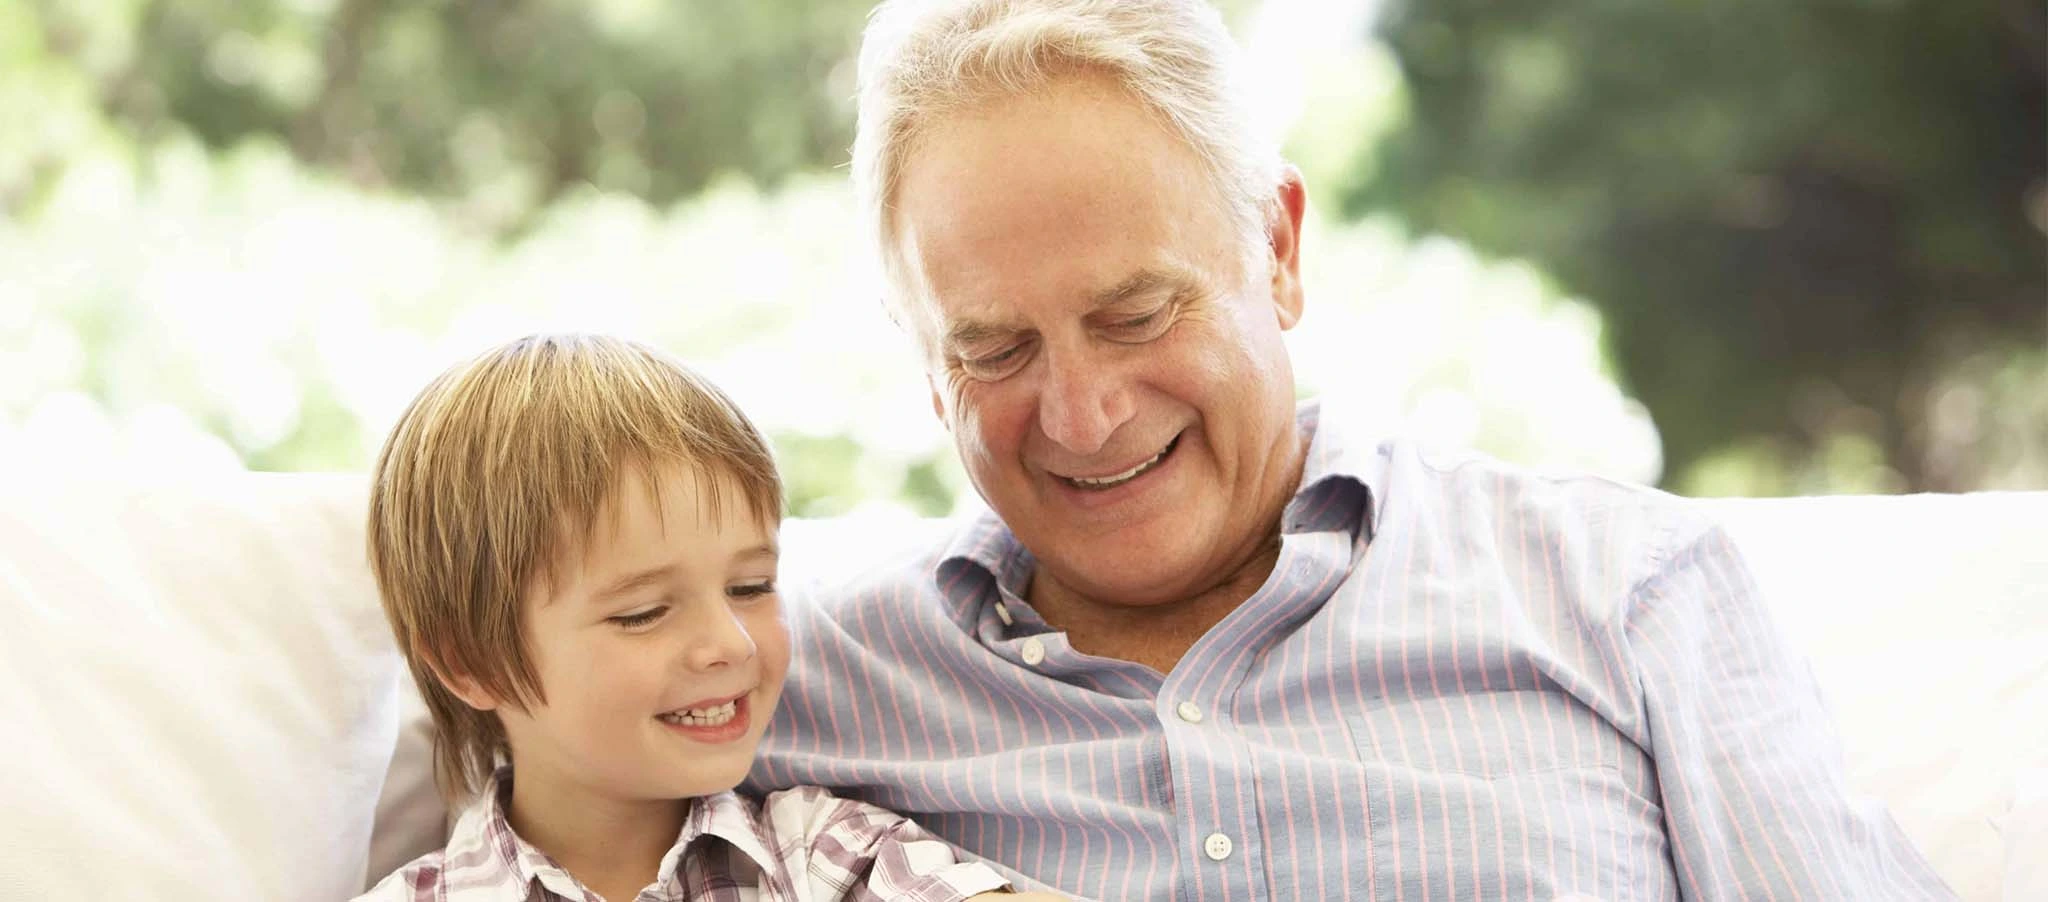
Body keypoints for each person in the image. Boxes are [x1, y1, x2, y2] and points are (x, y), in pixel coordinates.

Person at [747, 1, 1957, 899]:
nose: (1081, 413)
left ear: (1275, 247)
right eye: (996, 348)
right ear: (918, 354)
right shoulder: (777, 683)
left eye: (1136, 313)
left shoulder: (1622, 591)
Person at [357, 334, 1051, 902]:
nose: (729, 643)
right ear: (471, 664)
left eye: (751, 586)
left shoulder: (830, 857)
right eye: (643, 613)